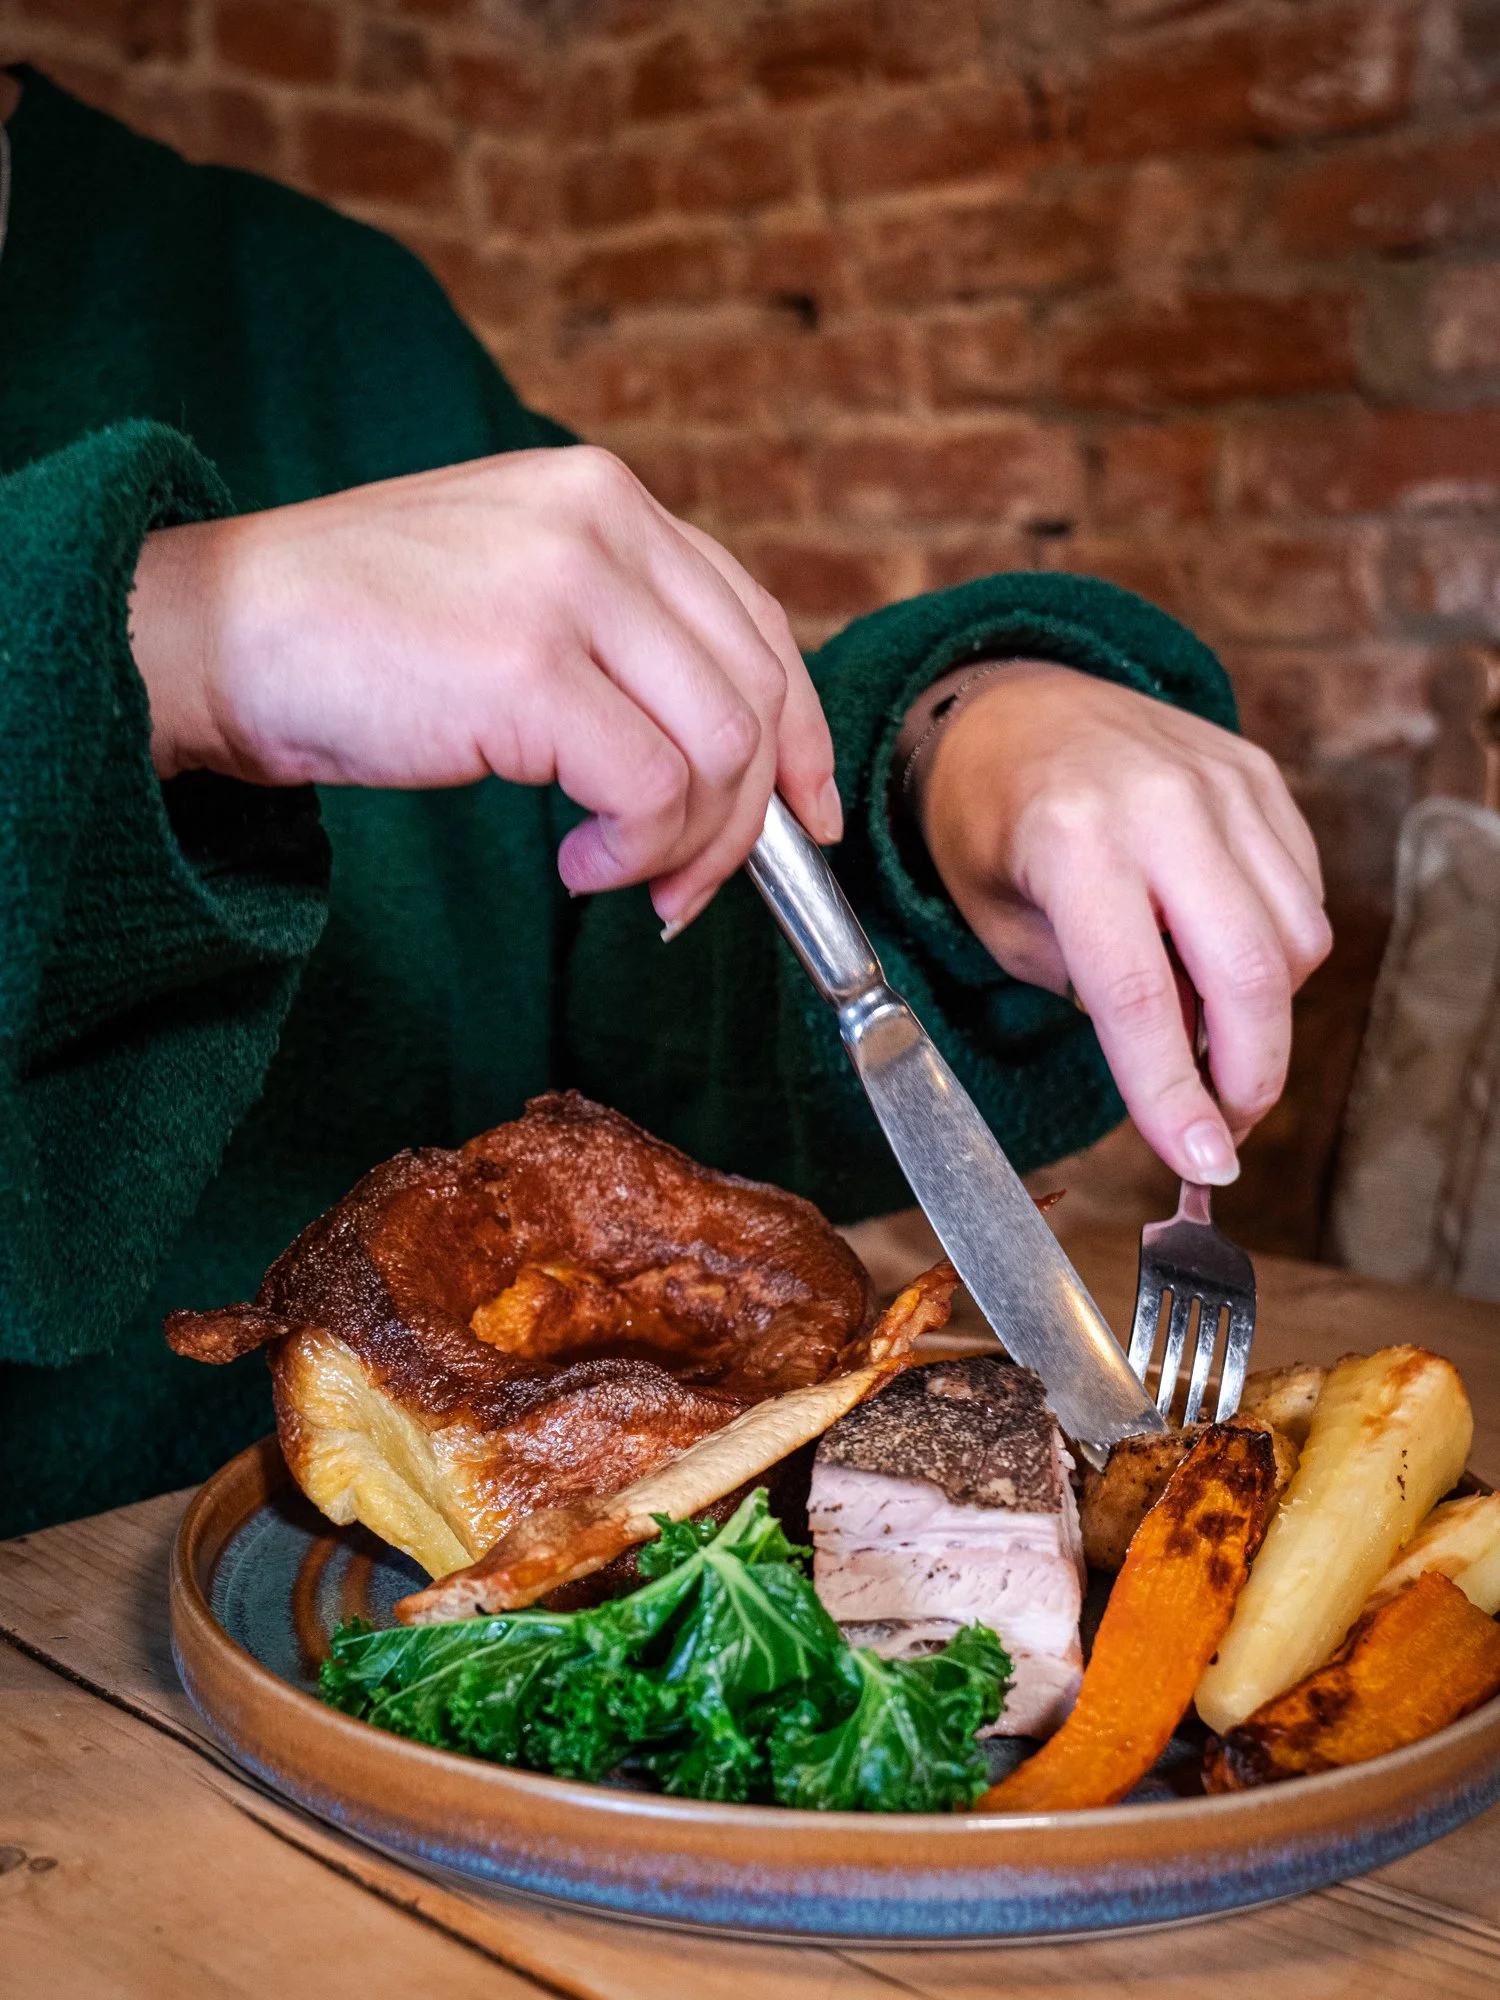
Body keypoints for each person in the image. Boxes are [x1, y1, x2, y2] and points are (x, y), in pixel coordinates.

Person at [0, 67, 1330, 1536]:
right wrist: (159, 641)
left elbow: (636, 966)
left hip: (484, 1628)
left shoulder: (329, 314)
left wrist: (956, 763)